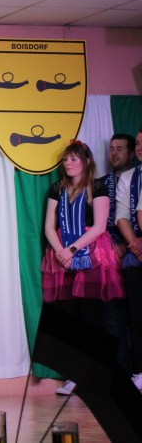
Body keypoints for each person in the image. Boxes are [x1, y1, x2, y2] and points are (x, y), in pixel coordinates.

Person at [42, 140, 124, 396]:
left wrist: (73, 250)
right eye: (66, 159)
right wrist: (60, 251)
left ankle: (96, 375)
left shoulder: (97, 187)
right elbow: (49, 226)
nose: (68, 163)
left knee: (92, 317)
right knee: (70, 318)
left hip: (91, 255)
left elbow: (100, 226)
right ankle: (74, 375)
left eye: (73, 159)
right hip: (62, 257)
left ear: (86, 162)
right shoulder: (57, 188)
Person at [102, 134, 136, 376]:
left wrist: (128, 244)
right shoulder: (101, 183)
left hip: (133, 252)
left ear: (131, 154)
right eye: (111, 148)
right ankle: (120, 373)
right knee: (112, 318)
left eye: (120, 149)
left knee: (136, 316)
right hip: (109, 260)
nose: (114, 153)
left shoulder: (136, 179)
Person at [116, 129, 142, 392]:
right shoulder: (128, 177)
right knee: (136, 314)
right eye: (139, 143)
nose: (141, 147)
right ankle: (139, 370)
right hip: (136, 253)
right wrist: (134, 242)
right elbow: (122, 214)